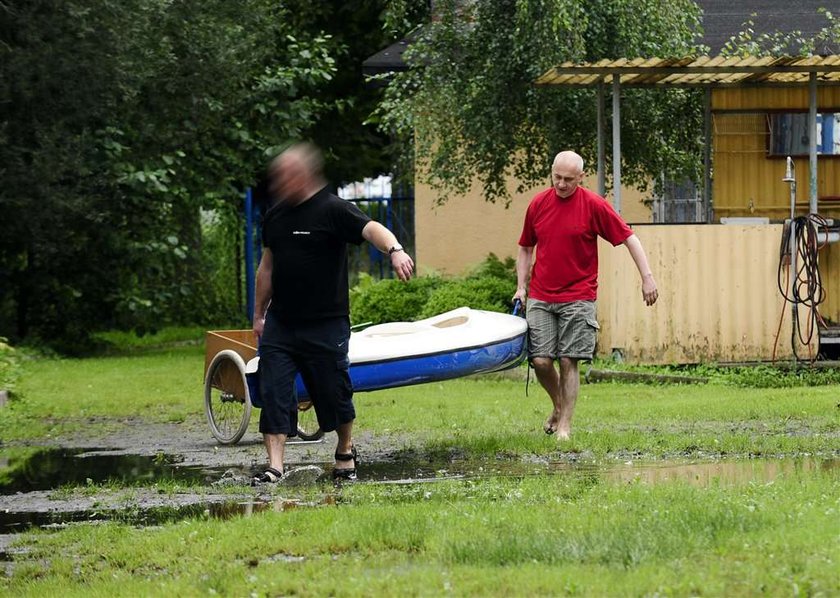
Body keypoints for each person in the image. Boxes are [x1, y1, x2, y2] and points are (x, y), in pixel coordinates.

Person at [252, 142, 414, 483]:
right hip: (282, 322)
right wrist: (258, 315)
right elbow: (266, 269)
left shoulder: (334, 209)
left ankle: (344, 450)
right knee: (274, 390)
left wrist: (395, 250)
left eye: (286, 175)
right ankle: (275, 466)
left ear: (304, 175)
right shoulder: (275, 216)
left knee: (333, 391)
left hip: (326, 323)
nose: (280, 182)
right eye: (278, 176)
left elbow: (372, 229)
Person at [512, 150, 658, 440]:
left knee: (569, 359)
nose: (562, 184)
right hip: (541, 295)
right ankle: (558, 405)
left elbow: (629, 238)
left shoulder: (594, 205)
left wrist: (647, 278)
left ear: (581, 177)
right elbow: (526, 247)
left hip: (578, 295)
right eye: (557, 177)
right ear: (552, 172)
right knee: (540, 361)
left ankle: (565, 425)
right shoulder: (539, 204)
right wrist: (521, 286)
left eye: (568, 179)